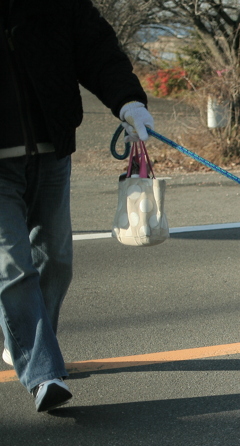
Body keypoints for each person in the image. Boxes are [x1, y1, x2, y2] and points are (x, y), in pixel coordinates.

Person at [1, 0, 153, 411]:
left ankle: (26, 337)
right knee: (12, 267)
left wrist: (127, 100)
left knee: (57, 258)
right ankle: (43, 372)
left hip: (52, 149)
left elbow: (95, 47)